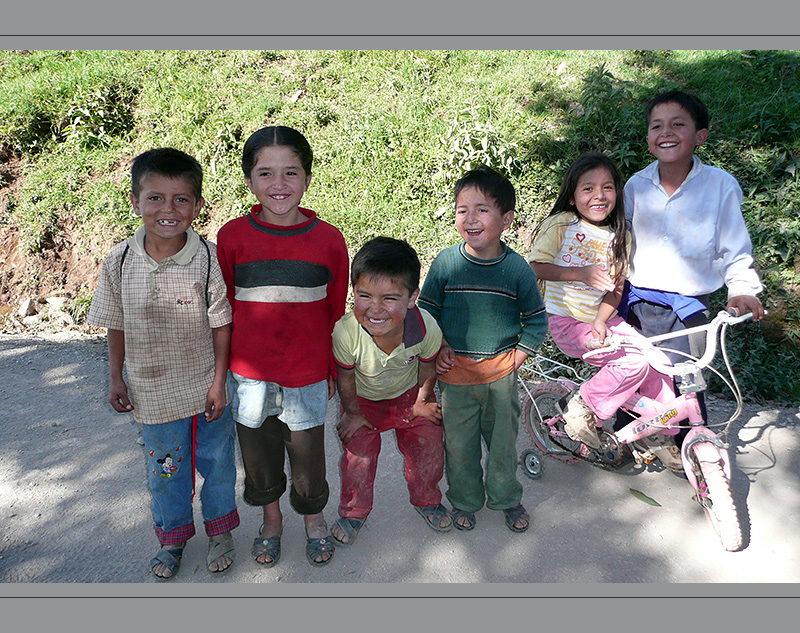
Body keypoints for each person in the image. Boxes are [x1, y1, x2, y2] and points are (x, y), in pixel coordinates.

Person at [88, 148, 239, 580]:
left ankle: (220, 532)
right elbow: (114, 324)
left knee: (217, 463)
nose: (168, 210)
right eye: (155, 198)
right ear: (135, 202)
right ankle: (172, 537)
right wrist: (116, 376)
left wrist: (218, 382)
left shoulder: (207, 259)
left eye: (181, 199)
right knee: (166, 469)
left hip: (204, 387)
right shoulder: (118, 261)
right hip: (151, 391)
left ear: (198, 205)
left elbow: (221, 325)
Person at [216, 125, 348, 568]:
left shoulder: (329, 240)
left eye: (290, 172)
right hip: (249, 374)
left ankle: (314, 520)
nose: (278, 185)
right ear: (249, 180)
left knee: (309, 456)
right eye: (265, 173)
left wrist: (332, 369)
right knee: (259, 453)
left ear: (308, 179)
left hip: (307, 372)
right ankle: (271, 521)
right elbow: (224, 308)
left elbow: (335, 311)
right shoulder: (232, 237)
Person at [623, 91, 764, 441]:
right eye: (657, 126)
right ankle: (629, 438)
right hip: (637, 303)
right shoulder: (635, 186)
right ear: (648, 138)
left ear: (700, 135)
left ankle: (691, 444)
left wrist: (743, 289)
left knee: (688, 378)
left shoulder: (720, 186)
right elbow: (619, 243)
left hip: (689, 309)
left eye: (678, 124)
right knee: (635, 375)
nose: (666, 132)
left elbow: (734, 247)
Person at [529, 153, 681, 471]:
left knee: (657, 363)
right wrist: (580, 273)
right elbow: (535, 267)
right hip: (568, 321)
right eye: (588, 188)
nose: (599, 195)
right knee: (632, 363)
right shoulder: (561, 224)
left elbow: (616, 288)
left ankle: (657, 434)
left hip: (605, 320)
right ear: (572, 195)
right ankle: (580, 406)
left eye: (608, 187)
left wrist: (601, 320)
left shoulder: (618, 235)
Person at [418, 165, 547, 533]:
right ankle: (465, 501)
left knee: (503, 443)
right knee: (459, 447)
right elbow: (426, 312)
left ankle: (507, 498)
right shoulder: (447, 263)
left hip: (501, 378)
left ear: (506, 219)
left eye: (482, 210)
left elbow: (536, 321)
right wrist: (439, 343)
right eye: (462, 210)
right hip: (454, 376)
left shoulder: (517, 269)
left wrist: (514, 360)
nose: (470, 218)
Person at [330, 237, 451, 547]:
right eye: (364, 295)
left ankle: (427, 499)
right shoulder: (346, 332)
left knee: (429, 445)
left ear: (412, 298)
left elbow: (427, 367)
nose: (375, 308)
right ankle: (353, 512)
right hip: (362, 401)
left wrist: (423, 402)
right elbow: (345, 379)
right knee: (357, 457)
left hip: (409, 395)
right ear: (352, 293)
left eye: (389, 298)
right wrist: (353, 414)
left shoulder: (425, 328)